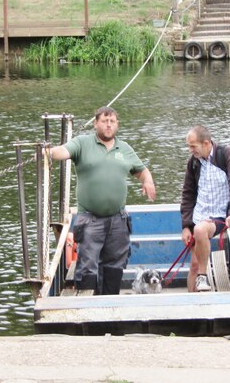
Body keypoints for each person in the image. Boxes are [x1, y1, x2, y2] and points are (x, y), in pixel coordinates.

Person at [49, 106, 156, 295]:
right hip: (90, 219)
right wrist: (48, 152)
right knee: (88, 265)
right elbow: (62, 152)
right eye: (104, 121)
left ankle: (110, 304)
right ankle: (87, 307)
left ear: (117, 125)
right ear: (95, 123)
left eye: (112, 121)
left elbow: (141, 170)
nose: (108, 125)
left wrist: (147, 181)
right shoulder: (82, 143)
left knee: (115, 264)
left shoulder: (124, 148)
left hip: (118, 220)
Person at [180, 125, 230, 292]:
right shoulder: (193, 162)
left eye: (193, 146)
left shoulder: (226, 154)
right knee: (193, 264)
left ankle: (203, 276)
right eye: (189, 146)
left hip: (220, 216)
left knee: (201, 230)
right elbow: (187, 194)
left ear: (206, 143)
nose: (190, 150)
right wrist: (186, 226)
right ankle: (192, 307)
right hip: (199, 214)